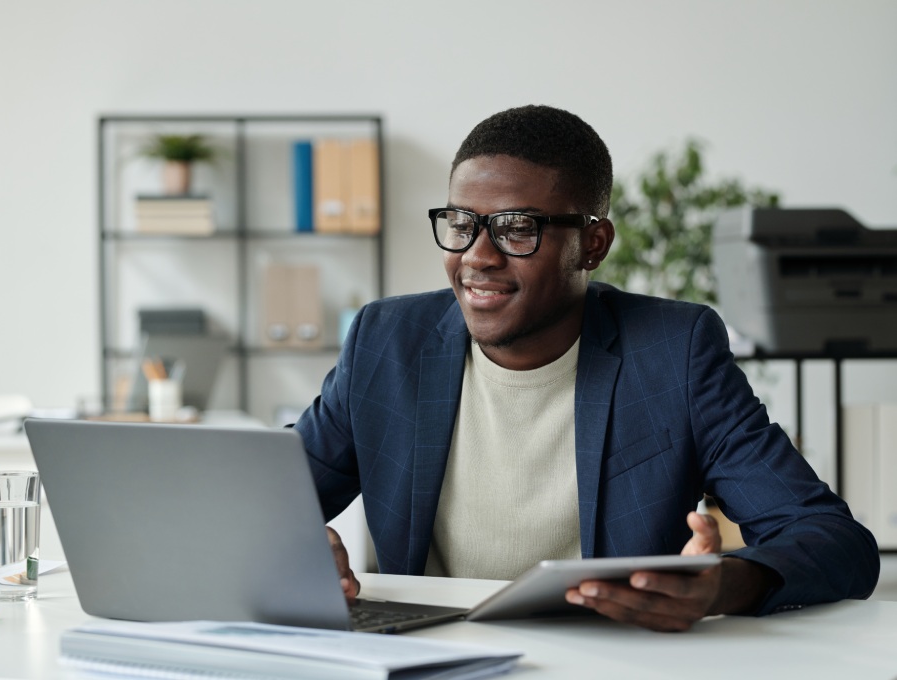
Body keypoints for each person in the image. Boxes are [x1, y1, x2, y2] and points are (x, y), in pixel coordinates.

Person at [293, 105, 879, 632]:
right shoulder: (386, 343)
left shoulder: (674, 352)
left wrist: (724, 584)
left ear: (593, 244)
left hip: (611, 657)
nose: (477, 256)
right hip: (427, 656)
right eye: (462, 223)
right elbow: (256, 503)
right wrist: (289, 545)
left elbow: (832, 540)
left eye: (517, 228)